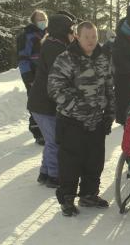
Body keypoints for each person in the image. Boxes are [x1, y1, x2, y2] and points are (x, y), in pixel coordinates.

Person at [48, 21, 115, 217]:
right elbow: (54, 88)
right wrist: (78, 106)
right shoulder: (66, 58)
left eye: (94, 37)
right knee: (71, 163)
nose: (91, 41)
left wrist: (110, 113)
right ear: (77, 36)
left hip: (97, 120)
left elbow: (109, 86)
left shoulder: (103, 57)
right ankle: (67, 199)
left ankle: (89, 195)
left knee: (94, 161)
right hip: (72, 121)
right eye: (87, 37)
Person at [27, 13, 75, 188]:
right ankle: (54, 175)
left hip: (43, 103)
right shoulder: (55, 47)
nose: (73, 33)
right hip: (43, 104)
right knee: (55, 140)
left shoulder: (55, 44)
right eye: (70, 30)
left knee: (51, 140)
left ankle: (45, 172)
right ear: (62, 30)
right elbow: (61, 77)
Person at [18, 10, 48, 145]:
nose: (43, 21)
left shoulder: (48, 34)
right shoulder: (28, 36)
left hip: (47, 74)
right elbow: (23, 58)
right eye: (40, 19)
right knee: (36, 104)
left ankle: (47, 131)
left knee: (47, 103)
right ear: (34, 21)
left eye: (44, 18)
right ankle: (37, 133)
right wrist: (28, 77)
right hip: (33, 74)